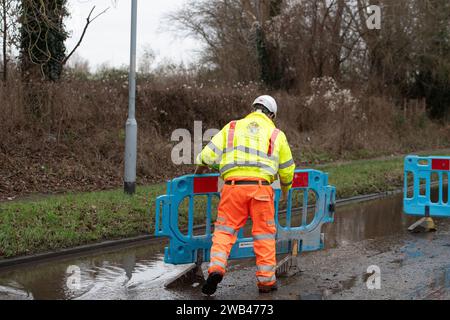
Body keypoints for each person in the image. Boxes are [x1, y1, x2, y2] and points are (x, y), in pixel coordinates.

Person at [195, 95, 296, 295]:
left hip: (233, 187)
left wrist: (199, 170)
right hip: (262, 190)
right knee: (264, 236)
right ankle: (266, 282)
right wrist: (285, 192)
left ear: (253, 108)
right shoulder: (276, 134)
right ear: (272, 115)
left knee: (224, 232)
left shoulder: (232, 127)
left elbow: (207, 155)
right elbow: (286, 171)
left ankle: (215, 269)